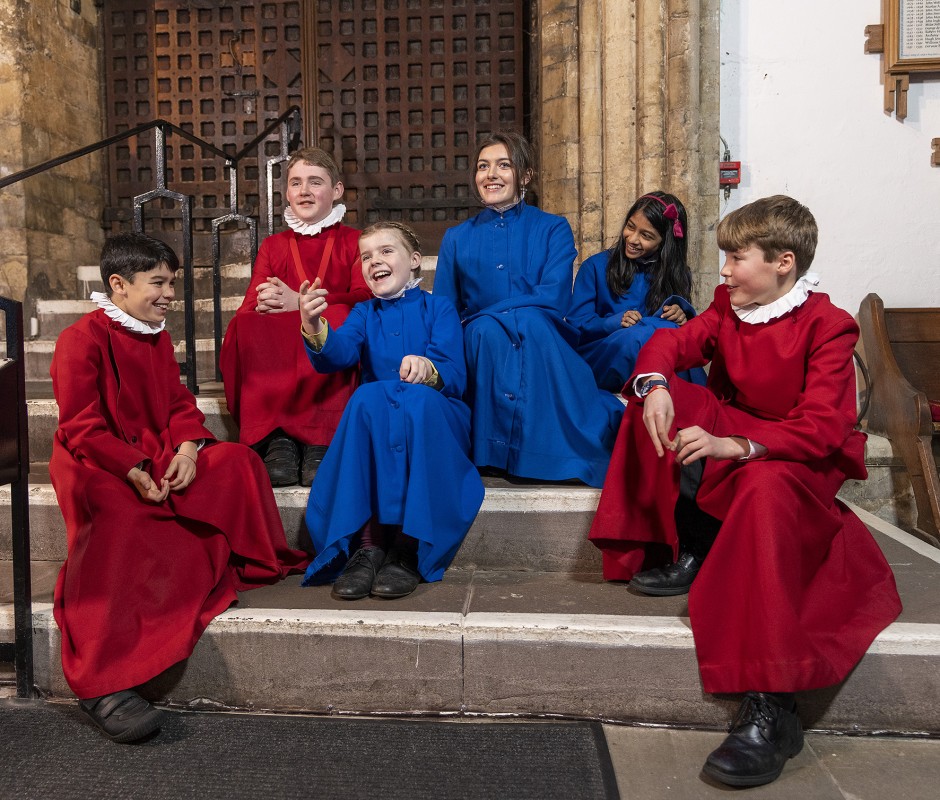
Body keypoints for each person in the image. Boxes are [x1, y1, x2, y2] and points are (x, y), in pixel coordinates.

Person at [588, 196, 902, 787]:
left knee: (762, 486)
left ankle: (770, 704)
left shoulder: (829, 325)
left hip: (791, 458)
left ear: (785, 261)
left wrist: (741, 445)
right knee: (653, 402)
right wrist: (655, 384)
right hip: (736, 434)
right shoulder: (730, 307)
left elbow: (822, 428)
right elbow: (668, 344)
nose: (725, 269)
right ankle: (690, 544)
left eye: (736, 256)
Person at [50, 233, 310, 743]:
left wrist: (189, 449)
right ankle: (103, 681)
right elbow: (82, 426)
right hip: (98, 460)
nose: (170, 293)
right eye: (159, 283)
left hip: (158, 449)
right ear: (118, 286)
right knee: (120, 516)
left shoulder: (155, 335)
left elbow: (175, 404)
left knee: (235, 462)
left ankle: (213, 558)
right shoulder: (79, 339)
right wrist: (134, 469)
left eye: (173, 282)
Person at [299, 222, 484, 599]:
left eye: (386, 251)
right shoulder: (365, 314)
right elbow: (340, 352)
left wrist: (427, 368)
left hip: (436, 414)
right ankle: (369, 546)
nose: (374, 261)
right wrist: (313, 324)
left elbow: (453, 372)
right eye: (366, 256)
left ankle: (407, 547)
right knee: (366, 398)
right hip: (381, 416)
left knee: (414, 401)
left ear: (414, 260)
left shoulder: (439, 307)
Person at [434, 131, 623, 487]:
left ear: (525, 175)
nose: (491, 174)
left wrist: (485, 314)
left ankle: (546, 453)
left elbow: (553, 298)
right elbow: (444, 309)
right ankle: (491, 449)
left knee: (528, 323)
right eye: (482, 166)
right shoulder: (456, 238)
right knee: (485, 332)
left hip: (542, 335)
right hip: (481, 343)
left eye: (504, 165)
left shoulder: (553, 228)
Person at [219, 147, 370, 487]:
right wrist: (264, 299)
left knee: (343, 315)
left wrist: (302, 302)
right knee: (248, 323)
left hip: (330, 325)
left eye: (315, 182)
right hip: (284, 338)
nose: (304, 191)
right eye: (296, 183)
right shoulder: (274, 245)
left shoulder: (355, 241)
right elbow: (249, 304)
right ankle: (277, 438)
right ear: (286, 192)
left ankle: (322, 438)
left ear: (337, 191)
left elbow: (364, 295)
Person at [568, 191, 706, 392]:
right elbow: (575, 325)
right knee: (644, 336)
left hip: (652, 357)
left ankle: (692, 399)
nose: (632, 239)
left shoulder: (678, 274)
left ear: (665, 242)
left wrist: (682, 316)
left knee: (666, 334)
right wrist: (615, 321)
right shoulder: (595, 267)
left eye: (646, 236)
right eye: (630, 227)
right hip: (599, 358)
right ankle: (700, 395)